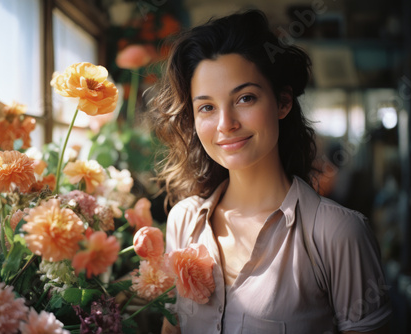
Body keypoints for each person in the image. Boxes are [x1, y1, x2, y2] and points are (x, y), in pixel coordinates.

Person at [149, 9, 392, 334]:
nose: (226, 125)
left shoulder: (338, 235)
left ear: (283, 102)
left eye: (245, 98)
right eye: (207, 107)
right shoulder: (183, 221)